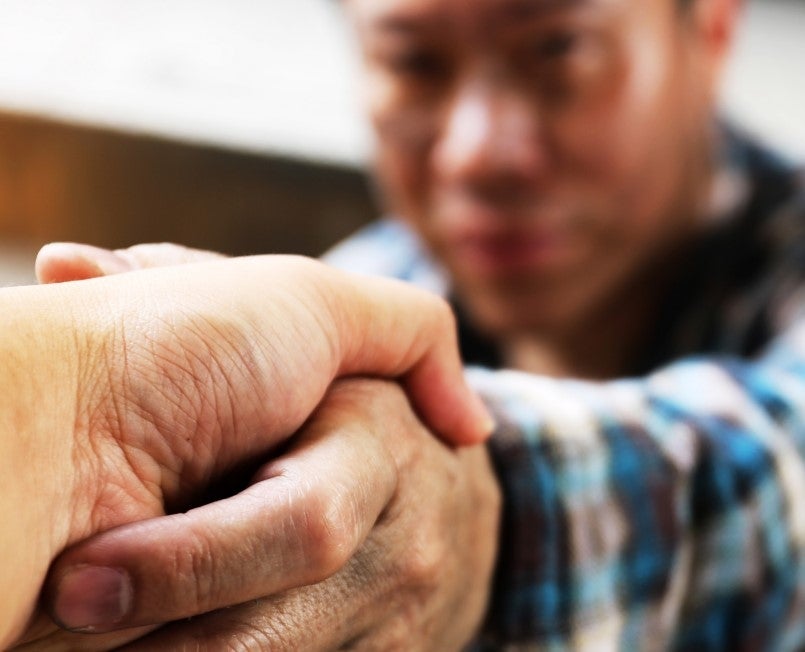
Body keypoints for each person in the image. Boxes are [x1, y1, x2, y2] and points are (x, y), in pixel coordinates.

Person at [14, 0, 805, 648]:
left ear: (709, 30)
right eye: (414, 63)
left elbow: (774, 465)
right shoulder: (355, 298)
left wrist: (480, 517)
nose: (478, 153)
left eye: (558, 50)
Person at [2, 254, 496, 650]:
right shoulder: (352, 285)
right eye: (421, 118)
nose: (477, 152)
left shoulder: (340, 298)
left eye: (560, 118)